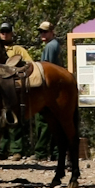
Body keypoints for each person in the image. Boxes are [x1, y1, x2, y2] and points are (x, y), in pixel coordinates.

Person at [0, 22, 33, 162]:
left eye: (7, 32)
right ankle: (0, 150)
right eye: (2, 32)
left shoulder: (18, 49)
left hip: (13, 88)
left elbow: (29, 63)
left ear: (11, 33)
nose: (5, 34)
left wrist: (19, 65)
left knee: (14, 116)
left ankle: (16, 150)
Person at [32, 20, 62, 161]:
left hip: (48, 89)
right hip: (56, 89)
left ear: (51, 32)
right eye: (41, 32)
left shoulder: (50, 46)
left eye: (45, 32)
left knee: (43, 121)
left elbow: (46, 68)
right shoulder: (55, 45)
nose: (42, 34)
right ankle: (55, 152)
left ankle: (41, 152)